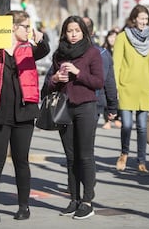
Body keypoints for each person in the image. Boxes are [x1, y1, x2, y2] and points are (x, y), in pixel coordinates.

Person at [0, 10, 50, 223]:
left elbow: (44, 50)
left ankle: (24, 206)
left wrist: (41, 40)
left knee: (21, 162)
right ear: (12, 27)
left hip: (23, 114)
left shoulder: (29, 49)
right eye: (25, 26)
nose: (29, 30)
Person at [44, 15, 104, 219]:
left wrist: (78, 72)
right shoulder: (59, 55)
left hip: (86, 107)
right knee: (70, 157)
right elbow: (49, 86)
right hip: (64, 109)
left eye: (77, 30)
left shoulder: (92, 52)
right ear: (64, 33)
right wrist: (55, 78)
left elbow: (98, 82)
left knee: (85, 155)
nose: (73, 34)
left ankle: (87, 201)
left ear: (83, 32)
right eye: (69, 31)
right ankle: (74, 199)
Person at [113, 4, 149, 175]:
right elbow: (116, 64)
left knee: (141, 127)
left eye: (146, 19)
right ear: (133, 19)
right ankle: (124, 153)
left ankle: (141, 161)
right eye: (141, 18)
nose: (143, 22)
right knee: (126, 125)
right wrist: (115, 88)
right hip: (126, 87)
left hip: (144, 89)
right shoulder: (122, 37)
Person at [82, 17, 118, 125]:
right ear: (93, 32)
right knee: (87, 140)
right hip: (94, 103)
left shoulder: (66, 50)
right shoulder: (103, 53)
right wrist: (112, 107)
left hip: (72, 103)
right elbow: (109, 82)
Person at [100, 28, 122, 129]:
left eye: (115, 37)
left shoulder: (121, 49)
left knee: (117, 98)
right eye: (111, 36)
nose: (112, 39)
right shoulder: (103, 50)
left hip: (119, 77)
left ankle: (117, 118)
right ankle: (107, 120)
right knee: (106, 95)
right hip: (108, 76)